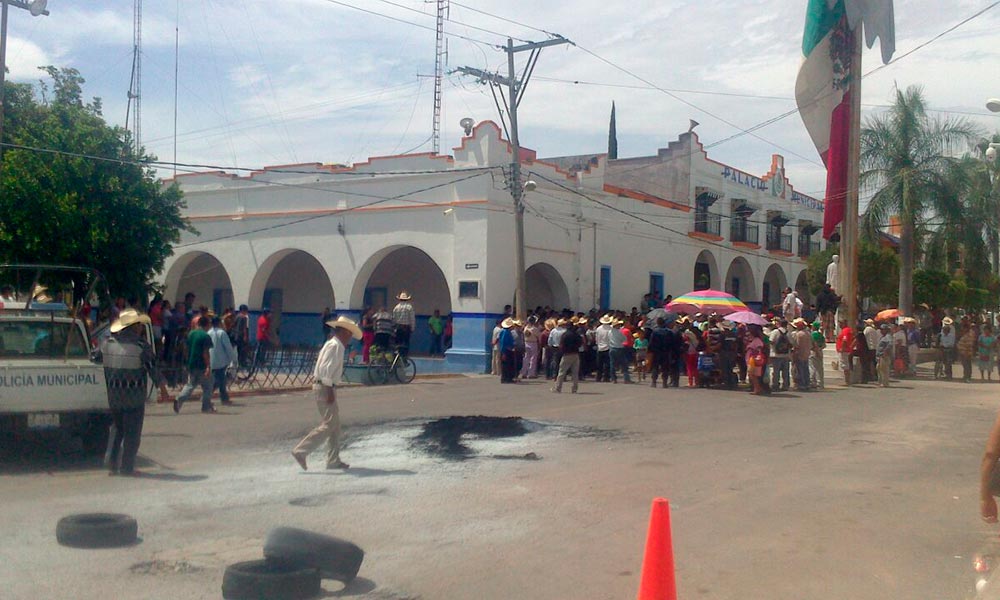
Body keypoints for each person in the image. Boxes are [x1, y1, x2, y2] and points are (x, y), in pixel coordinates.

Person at [98, 309, 169, 476]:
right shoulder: (141, 346)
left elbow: (94, 357)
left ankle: (112, 465)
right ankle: (126, 468)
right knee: (132, 434)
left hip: (114, 396)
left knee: (117, 430)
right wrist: (163, 389)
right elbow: (153, 370)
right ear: (135, 327)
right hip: (134, 397)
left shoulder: (107, 343)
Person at [292, 316, 363, 471]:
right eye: (349, 332)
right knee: (330, 424)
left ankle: (333, 460)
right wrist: (329, 390)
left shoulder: (335, 345)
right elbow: (326, 370)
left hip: (326, 386)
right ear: (343, 331)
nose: (350, 336)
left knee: (335, 426)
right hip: (325, 387)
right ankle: (301, 451)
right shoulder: (335, 346)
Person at [174, 316, 215, 414]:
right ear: (207, 324)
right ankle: (206, 406)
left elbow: (186, 349)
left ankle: (179, 399)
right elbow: (206, 353)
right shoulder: (205, 336)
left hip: (192, 364)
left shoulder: (191, 334)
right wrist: (208, 366)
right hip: (202, 365)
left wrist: (187, 361)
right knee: (208, 386)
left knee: (190, 385)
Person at [207, 316, 237, 406]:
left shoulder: (209, 332)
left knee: (218, 379)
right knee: (220, 380)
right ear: (219, 323)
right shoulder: (222, 333)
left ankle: (210, 395)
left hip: (211, 359)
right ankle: (222, 398)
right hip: (221, 360)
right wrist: (233, 358)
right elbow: (228, 347)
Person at [552, 318, 582, 393]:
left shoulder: (565, 335)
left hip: (567, 354)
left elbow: (561, 345)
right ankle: (574, 388)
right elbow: (580, 343)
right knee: (575, 373)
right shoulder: (576, 334)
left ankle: (558, 388)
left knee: (562, 372)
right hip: (575, 354)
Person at [769, 319, 792, 392]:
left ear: (779, 324)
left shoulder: (775, 332)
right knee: (786, 371)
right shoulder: (788, 333)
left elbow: (771, 341)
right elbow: (791, 343)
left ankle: (775, 385)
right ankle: (785, 385)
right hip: (785, 355)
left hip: (776, 354)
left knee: (776, 371)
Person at [790, 318, 813, 391]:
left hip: (799, 353)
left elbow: (796, 345)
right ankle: (807, 383)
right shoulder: (808, 333)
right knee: (805, 369)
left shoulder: (798, 334)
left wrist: (794, 354)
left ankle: (801, 384)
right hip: (806, 353)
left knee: (799, 369)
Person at [497, 317, 517, 383]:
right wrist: (503, 353)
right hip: (507, 350)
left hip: (507, 350)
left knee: (506, 365)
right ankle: (507, 378)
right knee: (507, 365)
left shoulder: (503, 331)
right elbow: (503, 343)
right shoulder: (506, 332)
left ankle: (506, 378)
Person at [595, 314, 613, 382]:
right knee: (607, 364)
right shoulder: (611, 328)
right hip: (608, 347)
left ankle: (598, 377)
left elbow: (597, 339)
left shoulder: (598, 328)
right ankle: (606, 377)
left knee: (599, 364)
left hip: (600, 347)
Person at [835, 319, 854, 386]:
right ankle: (846, 380)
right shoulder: (847, 330)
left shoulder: (845, 330)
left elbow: (845, 340)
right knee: (844, 365)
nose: (839, 325)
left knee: (845, 365)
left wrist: (842, 348)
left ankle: (847, 381)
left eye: (841, 323)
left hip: (844, 351)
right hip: (845, 350)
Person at [809, 321, 826, 389]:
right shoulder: (820, 335)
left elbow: (811, 344)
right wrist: (819, 349)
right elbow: (824, 345)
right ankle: (820, 382)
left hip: (813, 352)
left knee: (812, 367)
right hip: (820, 351)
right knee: (820, 368)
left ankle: (813, 382)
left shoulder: (812, 335)